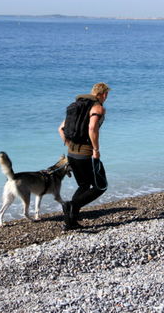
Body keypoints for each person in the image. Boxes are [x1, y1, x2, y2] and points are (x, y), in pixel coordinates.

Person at [58, 82, 110, 229]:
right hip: (86, 154)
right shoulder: (97, 107)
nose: (106, 97)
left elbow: (61, 129)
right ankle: (72, 205)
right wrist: (96, 149)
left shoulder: (78, 106)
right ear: (103, 94)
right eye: (107, 95)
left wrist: (70, 145)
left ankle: (71, 221)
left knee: (84, 185)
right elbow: (92, 127)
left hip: (72, 154)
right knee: (100, 186)